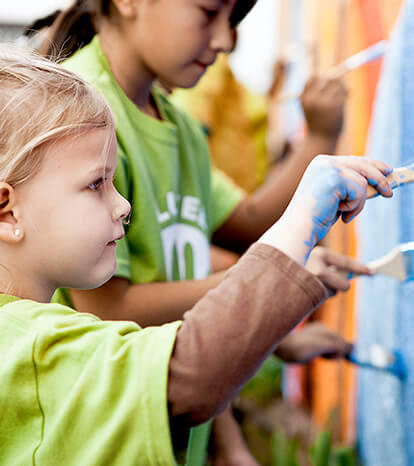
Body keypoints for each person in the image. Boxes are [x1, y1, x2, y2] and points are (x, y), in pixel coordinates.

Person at [0, 43, 393, 466]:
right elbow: (190, 377)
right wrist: (303, 216)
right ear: (7, 212)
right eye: (97, 184)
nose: (124, 205)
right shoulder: (26, 344)